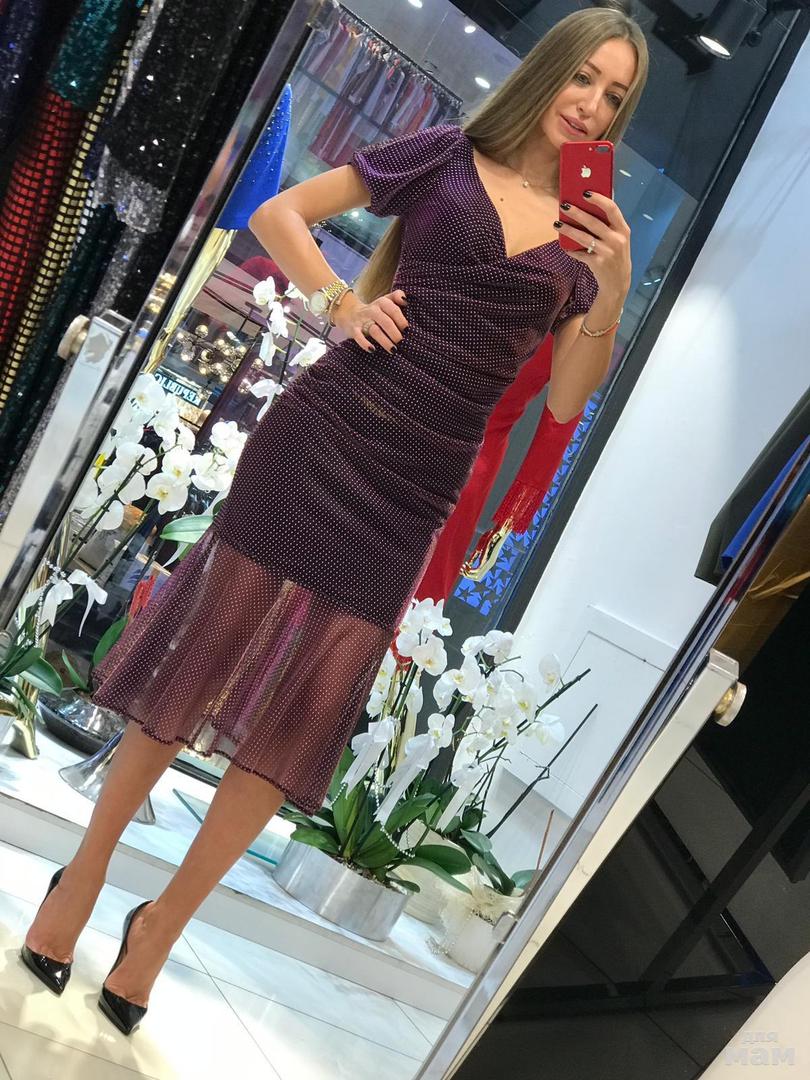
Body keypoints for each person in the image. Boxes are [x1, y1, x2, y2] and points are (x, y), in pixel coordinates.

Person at [21, 5, 648, 1034]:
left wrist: (612, 290)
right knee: (197, 661)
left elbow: (567, 399)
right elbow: (283, 213)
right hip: (319, 438)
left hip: (412, 493)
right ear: (551, 71)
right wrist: (340, 305)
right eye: (584, 77)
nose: (591, 105)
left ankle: (161, 928)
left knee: (299, 720)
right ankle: (83, 878)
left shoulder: (589, 247)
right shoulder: (446, 154)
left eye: (614, 96)